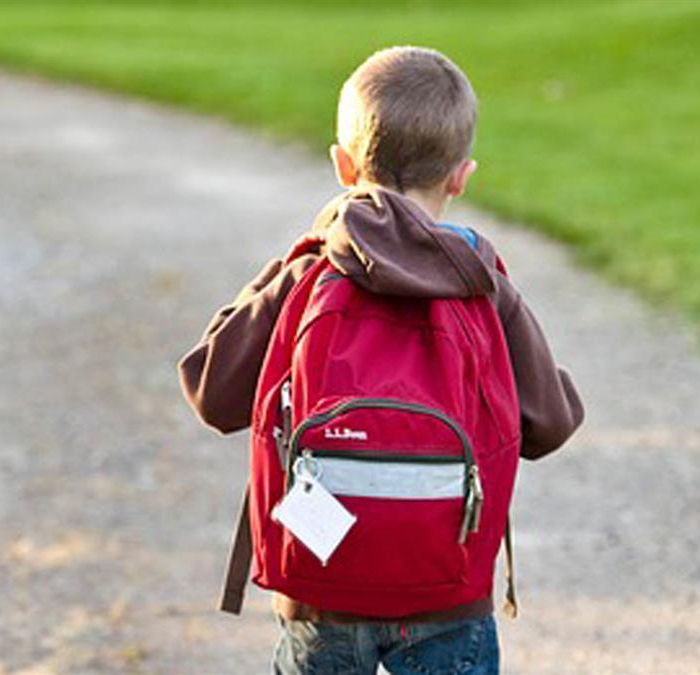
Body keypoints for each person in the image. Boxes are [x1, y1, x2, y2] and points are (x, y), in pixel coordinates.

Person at [179, 45, 583, 675]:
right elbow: (549, 426)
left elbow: (211, 390)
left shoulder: (312, 270)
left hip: (321, 590)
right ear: (461, 176)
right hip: (447, 592)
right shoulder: (482, 280)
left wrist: (286, 268)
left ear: (342, 166)